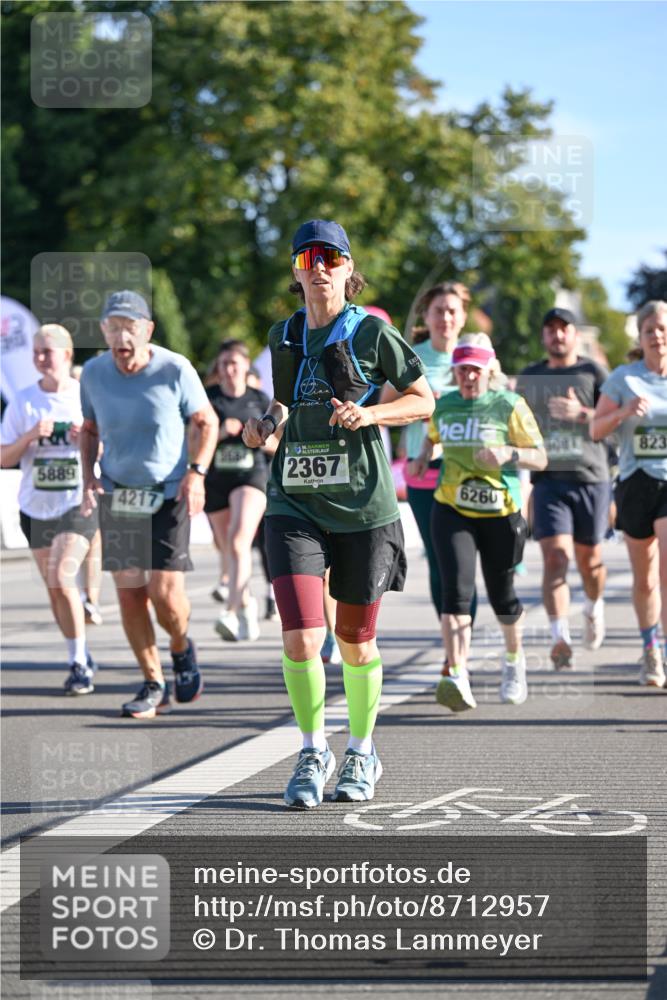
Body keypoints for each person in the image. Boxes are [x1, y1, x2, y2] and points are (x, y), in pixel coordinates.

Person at [242, 219, 434, 808]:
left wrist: (371, 415)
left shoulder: (373, 333)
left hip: (363, 508)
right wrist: (263, 425)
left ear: (349, 270)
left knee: (355, 642)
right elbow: (282, 399)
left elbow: (424, 400)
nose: (319, 266)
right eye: (308, 257)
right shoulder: (282, 334)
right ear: (297, 271)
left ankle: (362, 749)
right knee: (302, 637)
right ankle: (311, 749)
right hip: (292, 500)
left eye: (331, 257)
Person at [79, 291, 219, 718]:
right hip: (119, 490)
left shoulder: (175, 368)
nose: (121, 336)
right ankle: (153, 681)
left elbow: (205, 421)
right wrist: (88, 476)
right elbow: (88, 429)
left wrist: (197, 473)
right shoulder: (94, 373)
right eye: (112, 327)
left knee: (165, 594)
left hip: (169, 489)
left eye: (129, 327)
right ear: (103, 331)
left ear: (147, 330)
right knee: (129, 594)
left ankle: (180, 646)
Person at [412, 334, 546, 710]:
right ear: (454, 371)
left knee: (503, 597)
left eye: (475, 368)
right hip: (451, 508)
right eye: (462, 369)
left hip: (499, 514)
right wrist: (423, 457)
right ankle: (457, 673)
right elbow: (432, 437)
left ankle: (513, 662)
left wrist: (508, 452)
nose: (468, 375)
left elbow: (541, 458)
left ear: (489, 370)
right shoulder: (446, 404)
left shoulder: (509, 405)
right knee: (456, 592)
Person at [0, 325, 99, 694]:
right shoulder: (23, 402)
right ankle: (81, 653)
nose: (41, 358)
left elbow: (108, 449)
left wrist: (84, 439)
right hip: (35, 507)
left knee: (61, 576)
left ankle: (77, 664)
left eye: (48, 351)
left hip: (78, 501)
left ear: (67, 355)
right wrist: (29, 437)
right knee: (55, 589)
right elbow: (3, 457)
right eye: (37, 352)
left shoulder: (85, 396)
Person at [516, 308, 612, 670]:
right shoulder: (531, 376)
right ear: (543, 336)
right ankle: (560, 638)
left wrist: (581, 414)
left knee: (590, 563)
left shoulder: (592, 372)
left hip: (591, 477)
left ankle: (593, 605)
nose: (557, 335)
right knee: (555, 559)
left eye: (564, 329)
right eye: (551, 329)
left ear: (575, 334)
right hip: (549, 479)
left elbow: (615, 422)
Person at [381, 282, 470, 618]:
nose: (445, 317)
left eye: (452, 311)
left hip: (470, 469)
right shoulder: (412, 357)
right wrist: (420, 399)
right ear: (427, 316)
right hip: (424, 470)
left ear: (462, 318)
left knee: (463, 558)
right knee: (438, 556)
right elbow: (383, 408)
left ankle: (464, 634)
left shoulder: (475, 355)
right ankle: (452, 637)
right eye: (438, 311)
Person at [591, 300, 667, 687]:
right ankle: (651, 649)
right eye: (650, 329)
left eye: (662, 328)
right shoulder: (624, 378)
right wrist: (624, 413)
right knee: (647, 580)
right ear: (639, 336)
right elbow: (596, 430)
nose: (657, 335)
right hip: (636, 483)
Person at [204, 339, 276, 642]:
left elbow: (277, 445)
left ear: (247, 366)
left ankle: (231, 613)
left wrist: (257, 438)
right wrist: (220, 432)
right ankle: (246, 604)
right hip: (217, 479)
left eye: (235, 363)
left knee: (238, 541)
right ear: (218, 370)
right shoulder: (208, 400)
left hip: (252, 475)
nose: (230, 369)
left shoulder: (260, 400)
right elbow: (192, 442)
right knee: (229, 549)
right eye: (224, 365)